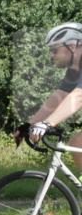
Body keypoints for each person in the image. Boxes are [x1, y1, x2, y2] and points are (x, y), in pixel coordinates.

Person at [14, 22, 82, 169]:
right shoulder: (75, 70)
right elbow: (59, 96)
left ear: (71, 46)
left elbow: (78, 97)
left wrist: (47, 124)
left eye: (55, 50)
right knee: (78, 142)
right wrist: (29, 125)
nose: (52, 55)